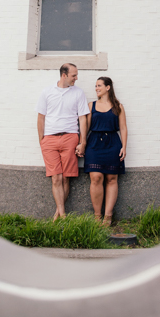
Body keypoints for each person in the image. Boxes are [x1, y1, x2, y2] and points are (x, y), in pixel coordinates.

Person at [37, 63, 89, 220]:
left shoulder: (78, 93)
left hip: (70, 137)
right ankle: (63, 214)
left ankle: (58, 213)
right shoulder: (47, 92)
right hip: (50, 138)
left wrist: (83, 141)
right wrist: (42, 140)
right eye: (74, 75)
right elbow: (41, 117)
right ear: (64, 75)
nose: (76, 78)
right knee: (56, 177)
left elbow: (83, 118)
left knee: (66, 177)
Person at [77, 77, 127, 226]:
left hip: (113, 143)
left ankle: (108, 216)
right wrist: (82, 143)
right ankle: (97, 216)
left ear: (108, 87)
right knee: (96, 177)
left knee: (112, 179)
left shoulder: (118, 106)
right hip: (94, 144)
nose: (96, 88)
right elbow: (85, 127)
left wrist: (124, 146)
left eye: (99, 85)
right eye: (95, 86)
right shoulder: (91, 105)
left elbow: (123, 128)